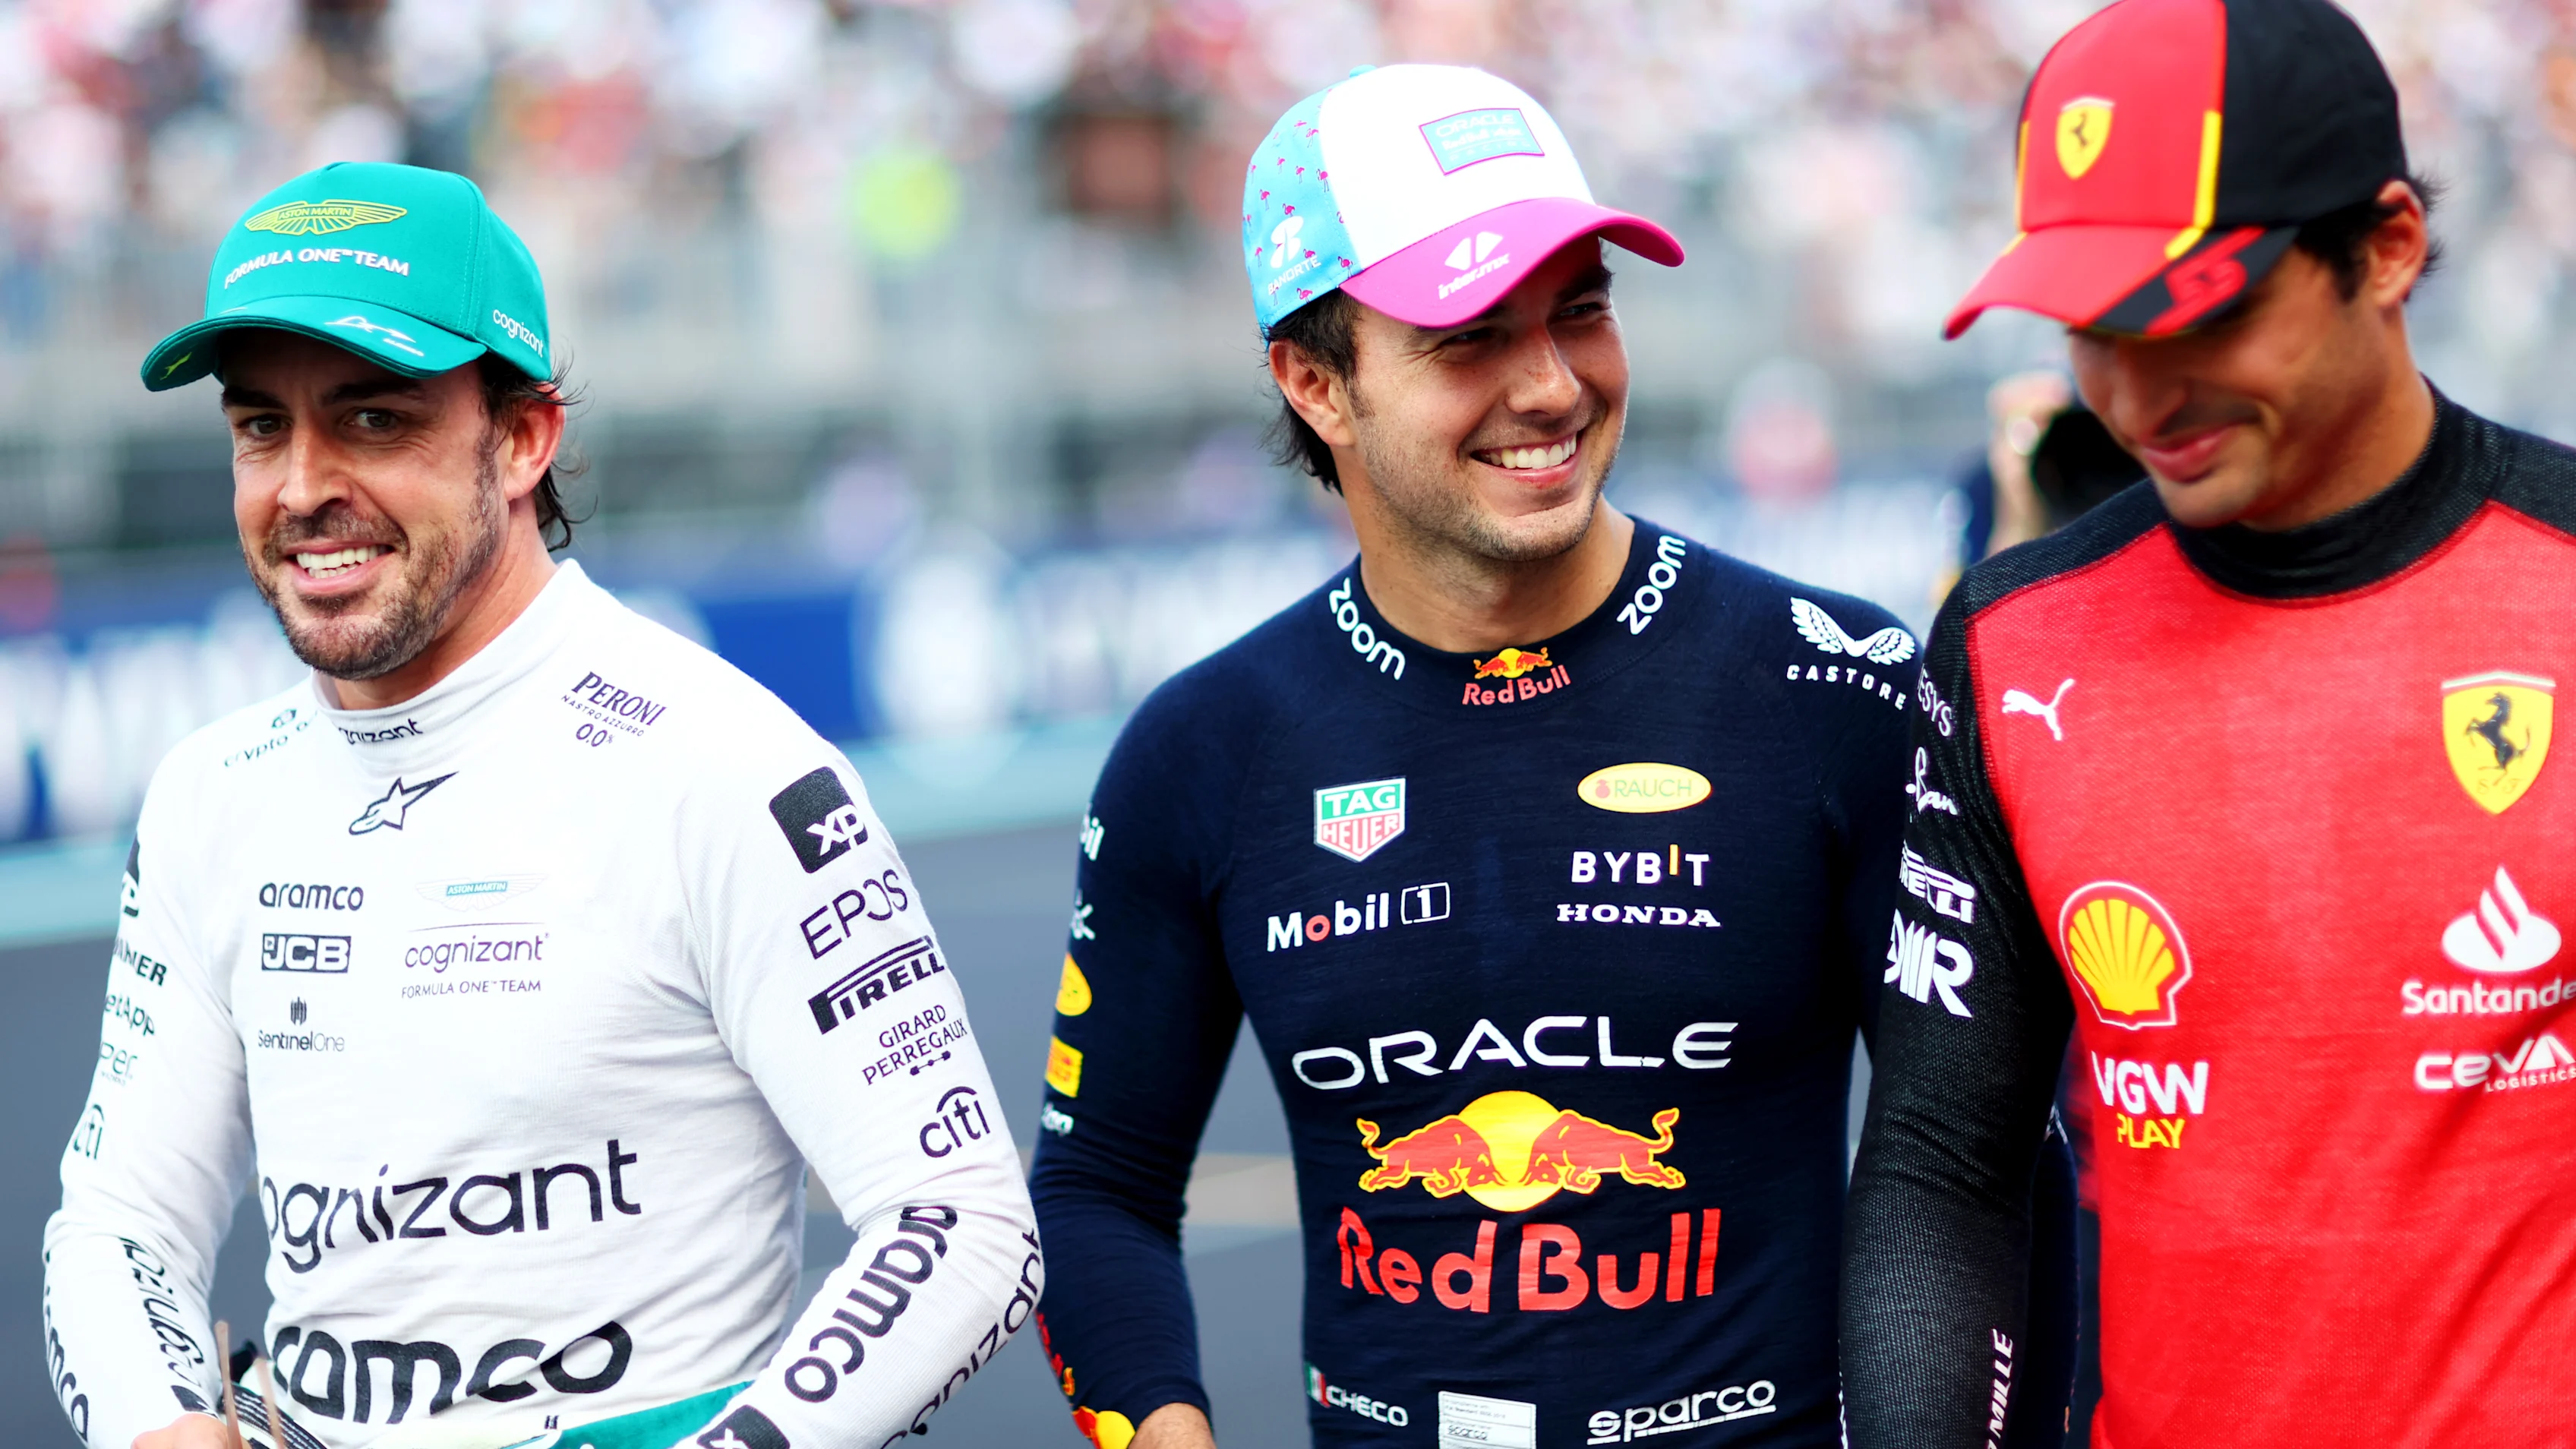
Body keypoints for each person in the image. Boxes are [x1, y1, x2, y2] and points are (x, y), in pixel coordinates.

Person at [1027, 64, 2069, 1449]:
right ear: (1313, 380)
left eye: (1583, 309)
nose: (1552, 385)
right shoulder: (1202, 752)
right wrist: (1161, 1431)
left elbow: (1992, 1159)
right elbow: (1098, 1185)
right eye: (1469, 336)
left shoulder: (1837, 686)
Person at [45, 163, 1039, 1449]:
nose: (298, 488)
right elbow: (119, 1222)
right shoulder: (209, 794)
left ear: (523, 438)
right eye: (258, 428)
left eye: (374, 420)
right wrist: (162, 1425)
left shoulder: (721, 764)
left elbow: (957, 1220)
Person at [1841, 0, 2576, 1444]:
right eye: (2091, 330)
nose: (2136, 392)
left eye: (2199, 312)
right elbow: (1943, 1159)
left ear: (2389, 249)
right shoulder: (2009, 639)